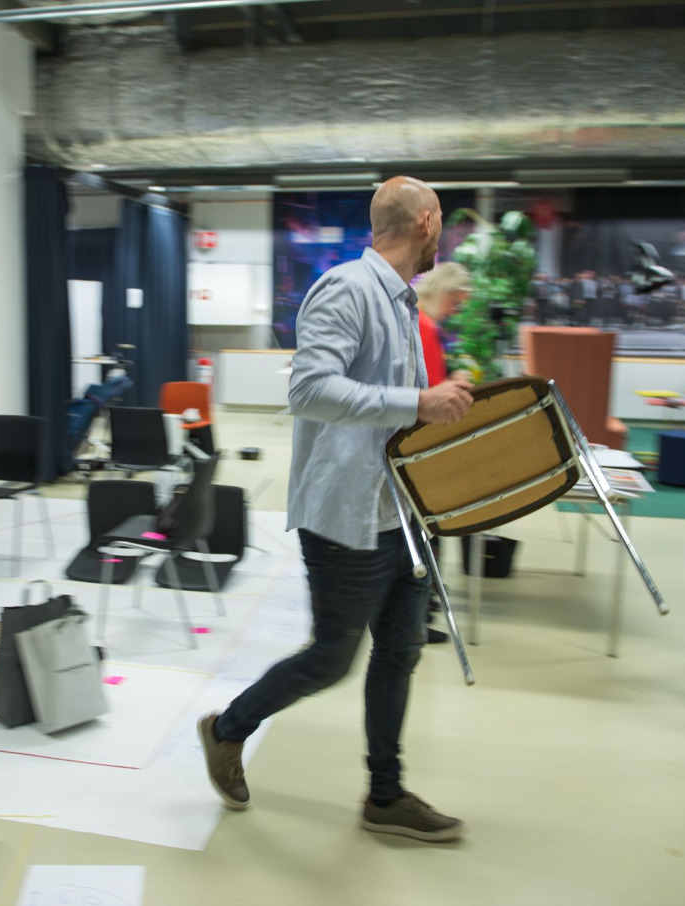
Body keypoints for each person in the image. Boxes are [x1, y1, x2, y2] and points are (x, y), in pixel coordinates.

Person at [197, 176, 475, 842]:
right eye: (442, 221)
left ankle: (385, 794)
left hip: (399, 511)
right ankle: (227, 728)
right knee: (331, 658)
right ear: (426, 222)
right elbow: (311, 391)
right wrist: (417, 402)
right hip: (345, 517)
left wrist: (436, 405)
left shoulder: (402, 302)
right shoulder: (347, 289)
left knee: (399, 653)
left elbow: (392, 411)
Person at [414, 261, 473, 644]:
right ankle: (418, 612)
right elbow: (431, 393)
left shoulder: (422, 321)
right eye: (457, 300)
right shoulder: (425, 325)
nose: (458, 309)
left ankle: (423, 602)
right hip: (423, 445)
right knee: (427, 530)